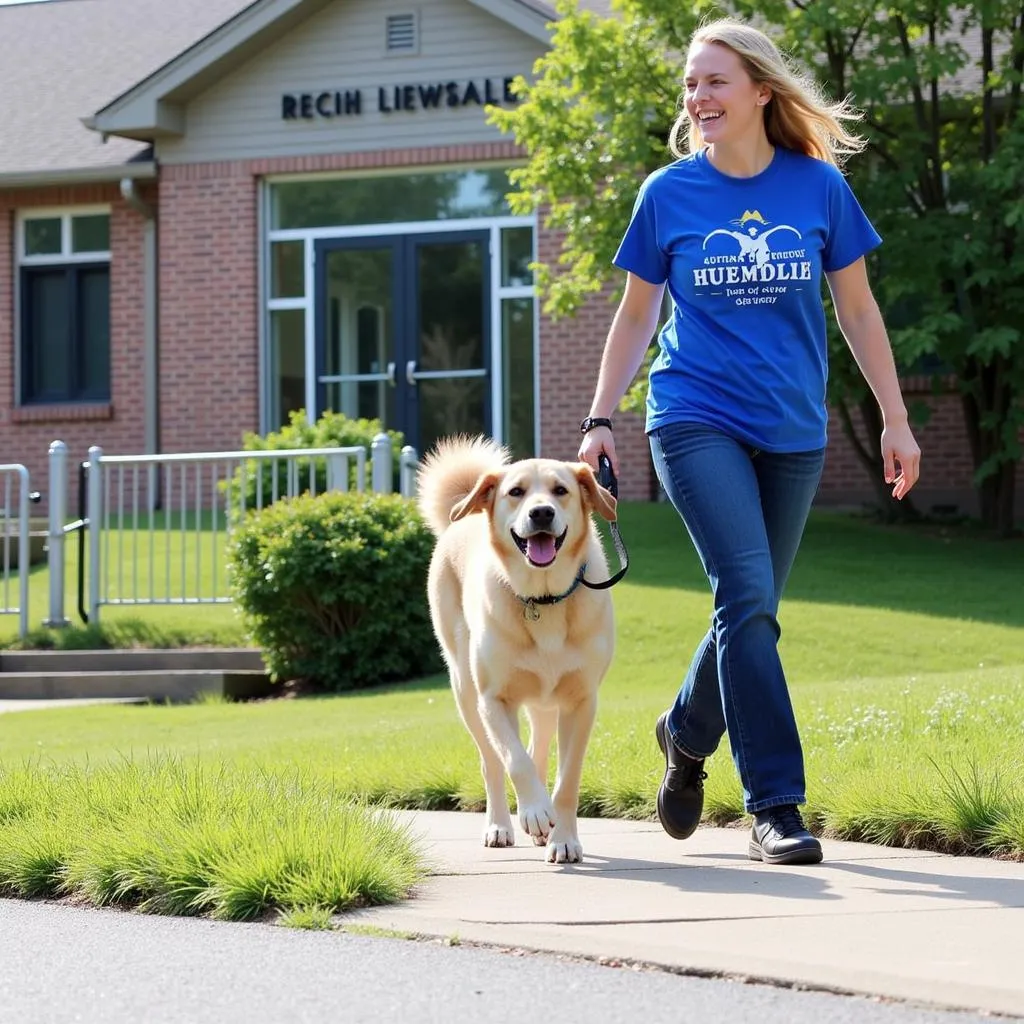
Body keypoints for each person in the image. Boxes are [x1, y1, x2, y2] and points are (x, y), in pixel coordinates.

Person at [577, 17, 921, 865]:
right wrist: (598, 417)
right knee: (745, 593)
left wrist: (897, 415)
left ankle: (686, 733)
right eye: (691, 84)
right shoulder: (668, 194)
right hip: (694, 417)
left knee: (751, 608)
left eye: (714, 81)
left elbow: (859, 309)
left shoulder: (817, 188)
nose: (697, 98)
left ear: (761, 90)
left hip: (794, 429)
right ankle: (777, 803)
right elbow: (635, 315)